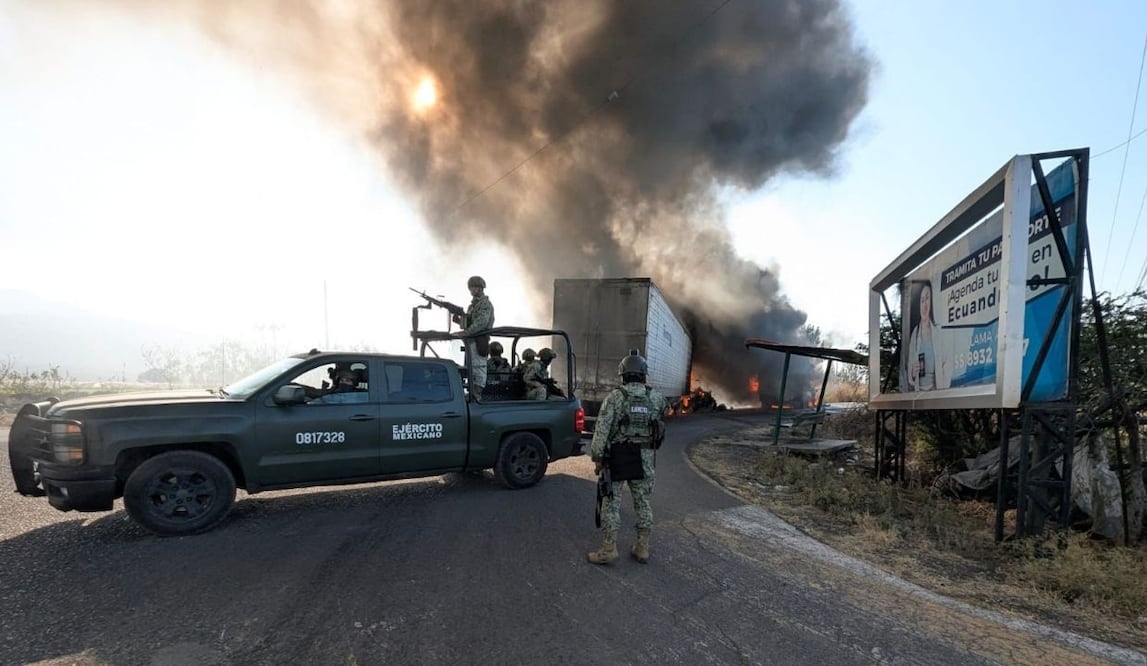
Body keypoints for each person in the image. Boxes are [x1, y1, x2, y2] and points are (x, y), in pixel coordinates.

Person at [586, 349, 669, 565]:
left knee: (611, 502)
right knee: (643, 501)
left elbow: (601, 431)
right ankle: (642, 548)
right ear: (643, 374)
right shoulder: (656, 398)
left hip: (618, 456)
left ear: (623, 374)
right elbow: (664, 414)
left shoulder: (615, 397)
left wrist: (597, 458)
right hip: (646, 457)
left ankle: (608, 549)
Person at [452, 275, 495, 392]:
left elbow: (482, 322)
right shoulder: (473, 306)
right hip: (471, 341)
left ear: (480, 288)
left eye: (474, 287)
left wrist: (467, 332)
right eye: (471, 287)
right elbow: (470, 322)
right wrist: (458, 319)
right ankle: (472, 392)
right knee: (471, 369)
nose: (472, 290)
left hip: (479, 340)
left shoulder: (485, 304)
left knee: (478, 369)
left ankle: (477, 394)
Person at [905, 280, 945, 391]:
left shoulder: (938, 333)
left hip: (935, 394)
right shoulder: (915, 334)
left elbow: (946, 363)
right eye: (922, 300)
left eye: (927, 298)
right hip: (919, 393)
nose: (925, 304)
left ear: (932, 301)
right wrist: (913, 373)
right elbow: (910, 370)